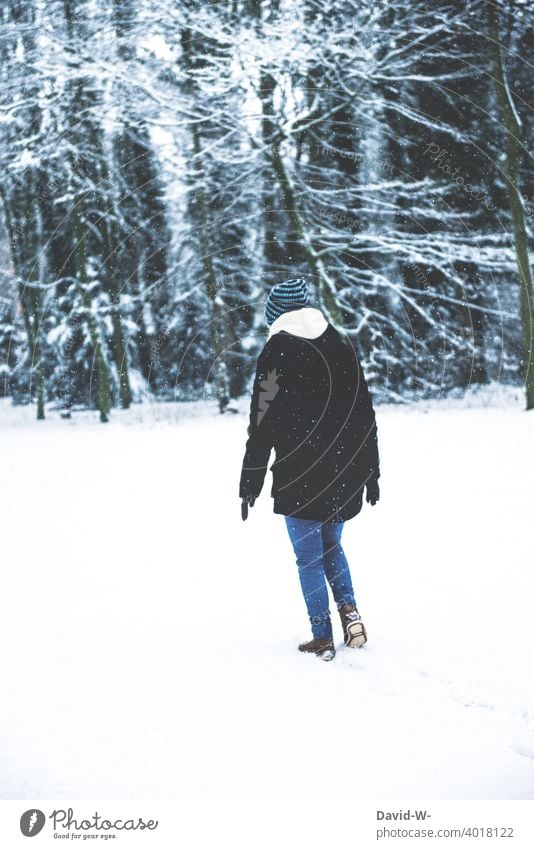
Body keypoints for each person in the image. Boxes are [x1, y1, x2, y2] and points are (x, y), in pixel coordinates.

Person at [239, 277, 380, 661]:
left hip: (299, 474)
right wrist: (371, 469)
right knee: (332, 545)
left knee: (309, 558)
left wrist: (250, 478)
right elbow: (364, 412)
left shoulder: (276, 350)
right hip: (344, 471)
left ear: (276, 315)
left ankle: (322, 634)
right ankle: (350, 613)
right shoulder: (341, 343)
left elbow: (262, 421)